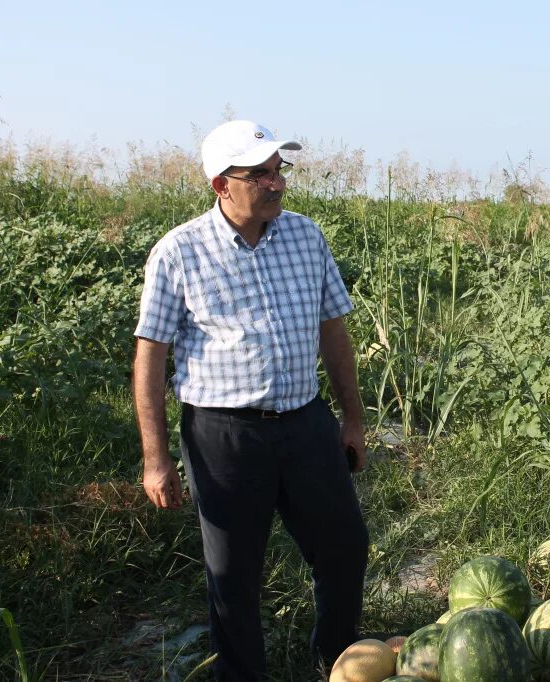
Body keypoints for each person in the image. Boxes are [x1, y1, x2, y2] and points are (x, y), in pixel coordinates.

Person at [132, 120, 369, 680]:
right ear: (222, 184)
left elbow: (333, 330)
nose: (277, 184)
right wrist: (156, 457)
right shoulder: (180, 252)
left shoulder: (306, 237)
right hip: (224, 435)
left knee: (345, 547)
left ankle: (337, 659)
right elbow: (150, 357)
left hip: (305, 423)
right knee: (233, 576)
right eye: (259, 174)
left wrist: (352, 417)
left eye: (278, 170)